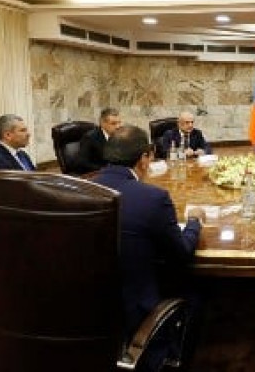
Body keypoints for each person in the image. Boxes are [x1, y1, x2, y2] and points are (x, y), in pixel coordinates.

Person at [92, 125, 203, 353]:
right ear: (144, 158)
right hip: (135, 310)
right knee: (196, 291)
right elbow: (182, 253)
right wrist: (194, 222)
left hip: (88, 305)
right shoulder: (153, 198)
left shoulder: (83, 189)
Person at [77, 107, 122, 173]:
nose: (118, 127)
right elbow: (82, 163)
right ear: (102, 123)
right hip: (97, 173)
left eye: (119, 123)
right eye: (113, 123)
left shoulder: (120, 136)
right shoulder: (90, 138)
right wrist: (105, 170)